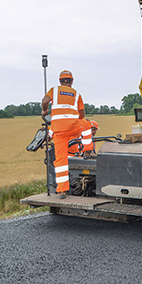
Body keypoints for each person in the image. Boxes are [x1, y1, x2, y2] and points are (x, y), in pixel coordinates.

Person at [41, 70, 85, 198]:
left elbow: (44, 101)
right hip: (73, 127)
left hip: (58, 130)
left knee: (60, 160)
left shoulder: (54, 90)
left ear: (60, 81)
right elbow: (82, 114)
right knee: (88, 125)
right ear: (72, 81)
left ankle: (62, 191)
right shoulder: (77, 94)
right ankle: (88, 151)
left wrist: (45, 110)